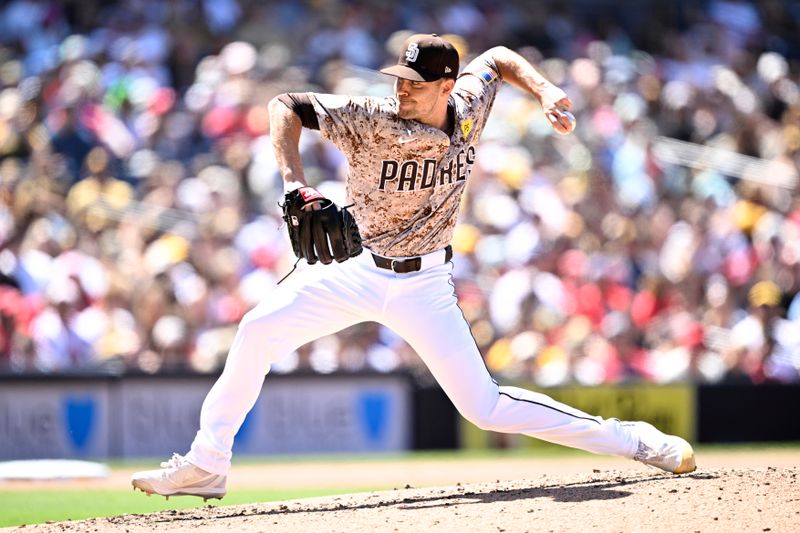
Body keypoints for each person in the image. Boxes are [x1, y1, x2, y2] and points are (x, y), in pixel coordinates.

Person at [131, 33, 695, 500]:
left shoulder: (470, 105)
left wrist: (545, 91)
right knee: (256, 331)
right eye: (398, 79)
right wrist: (293, 180)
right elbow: (286, 106)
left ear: (447, 87)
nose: (401, 90)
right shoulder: (372, 117)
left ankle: (634, 441)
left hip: (424, 283)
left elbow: (497, 58)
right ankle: (207, 463)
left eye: (414, 84)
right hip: (352, 267)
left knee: (487, 408)